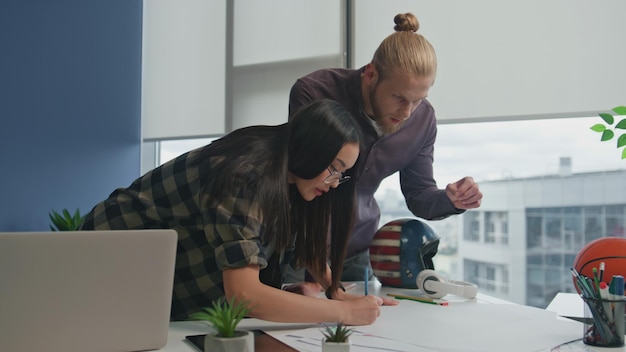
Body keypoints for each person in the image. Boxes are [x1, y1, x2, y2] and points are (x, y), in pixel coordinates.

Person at [81, 99, 388, 325]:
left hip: (151, 285)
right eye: (333, 168)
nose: (335, 183)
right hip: (100, 268)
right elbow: (245, 295)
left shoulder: (287, 173)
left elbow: (299, 243)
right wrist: (344, 313)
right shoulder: (247, 174)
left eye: (342, 174)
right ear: (310, 149)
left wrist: (334, 289)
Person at [287, 13, 483, 283]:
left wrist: (451, 200)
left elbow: (419, 194)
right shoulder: (315, 92)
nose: (406, 112)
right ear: (371, 74)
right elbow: (305, 171)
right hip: (300, 245)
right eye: (398, 98)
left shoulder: (423, 120)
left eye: (418, 100)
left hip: (356, 249)